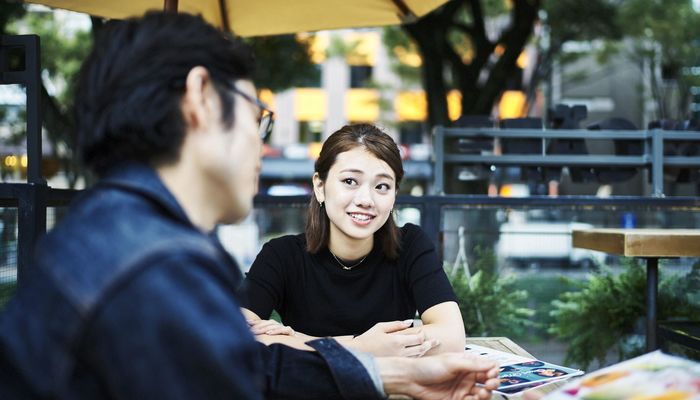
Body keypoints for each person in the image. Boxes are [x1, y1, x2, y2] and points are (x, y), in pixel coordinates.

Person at [0, 11, 500, 400]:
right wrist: (364, 357)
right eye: (257, 117)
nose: (259, 146)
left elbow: (245, 368)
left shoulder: (117, 235)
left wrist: (391, 375)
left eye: (383, 185)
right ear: (200, 97)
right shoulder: (152, 264)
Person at [242, 124, 466, 357]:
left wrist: (302, 342)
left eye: (382, 186)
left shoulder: (410, 245)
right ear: (320, 186)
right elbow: (237, 335)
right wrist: (362, 347)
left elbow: (452, 338)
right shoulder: (282, 254)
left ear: (394, 196)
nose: (366, 199)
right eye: (350, 181)